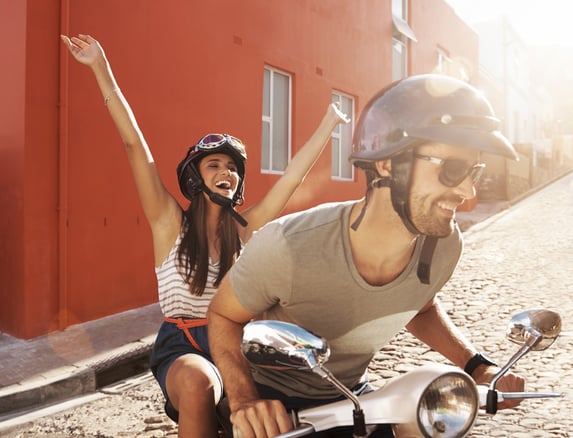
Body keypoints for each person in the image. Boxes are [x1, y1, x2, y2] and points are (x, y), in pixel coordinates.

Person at [61, 33, 350, 438]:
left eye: (232, 168)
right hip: (183, 345)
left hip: (236, 341)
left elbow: (292, 181)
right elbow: (134, 144)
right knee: (199, 385)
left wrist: (330, 123)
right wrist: (100, 67)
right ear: (196, 177)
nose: (227, 173)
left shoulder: (243, 230)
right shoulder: (168, 223)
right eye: (215, 165)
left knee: (285, 401)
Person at [207, 74, 526, 437]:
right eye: (452, 169)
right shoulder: (288, 246)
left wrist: (476, 365)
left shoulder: (443, 244)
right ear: (388, 163)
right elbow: (222, 315)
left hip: (353, 399)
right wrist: (245, 400)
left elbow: (419, 306)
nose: (468, 191)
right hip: (275, 406)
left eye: (475, 172)